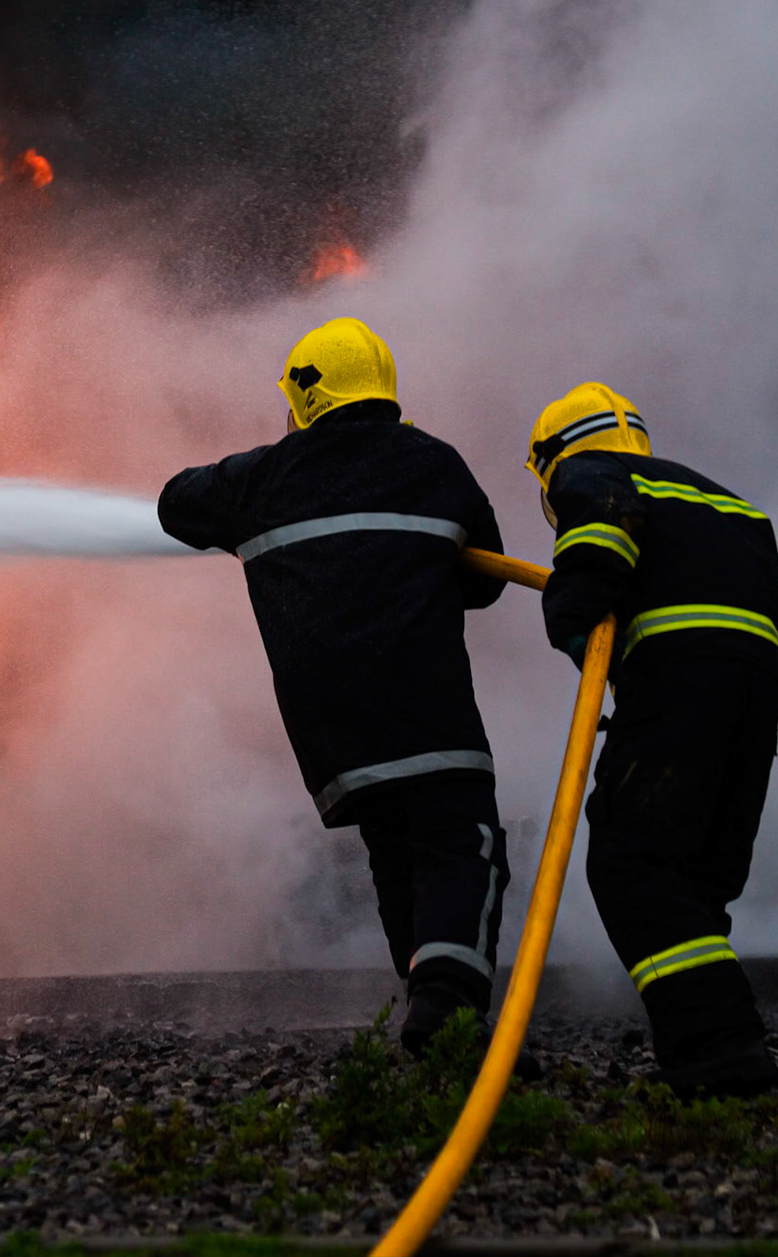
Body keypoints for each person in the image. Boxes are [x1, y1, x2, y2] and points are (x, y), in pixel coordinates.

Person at [158, 317, 519, 1060]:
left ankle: (438, 1017)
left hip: (333, 737)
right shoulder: (433, 464)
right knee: (460, 841)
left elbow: (173, 504)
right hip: (426, 709)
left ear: (302, 397)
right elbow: (486, 583)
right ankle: (449, 1004)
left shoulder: (258, 479)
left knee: (395, 850)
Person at [525, 382, 778, 1097]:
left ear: (554, 456)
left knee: (632, 864)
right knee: (697, 881)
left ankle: (723, 1060)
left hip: (678, 681)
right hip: (755, 692)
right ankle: (729, 1059)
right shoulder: (730, 504)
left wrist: (571, 616)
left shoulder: (597, 472)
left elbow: (599, 538)